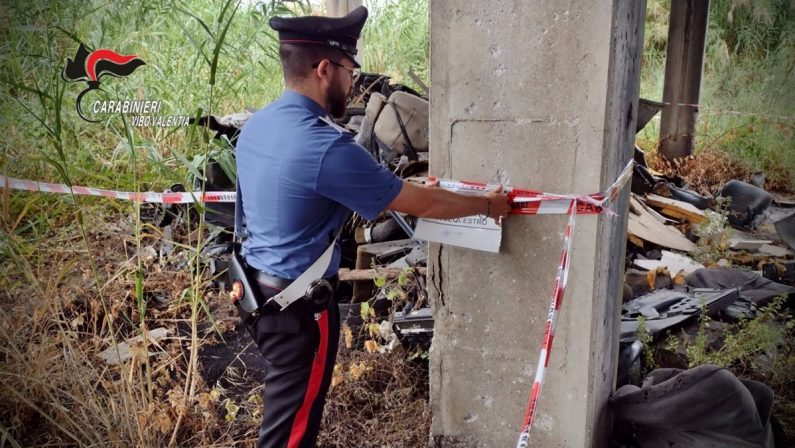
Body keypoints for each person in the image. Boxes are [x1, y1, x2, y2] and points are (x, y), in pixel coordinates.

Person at [234, 6, 512, 447]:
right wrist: (487, 203)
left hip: (257, 294)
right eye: (348, 69)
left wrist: (399, 186)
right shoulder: (326, 147)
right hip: (298, 311)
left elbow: (297, 201)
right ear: (324, 69)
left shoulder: (257, 127)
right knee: (292, 432)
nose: (353, 81)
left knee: (287, 416)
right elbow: (422, 203)